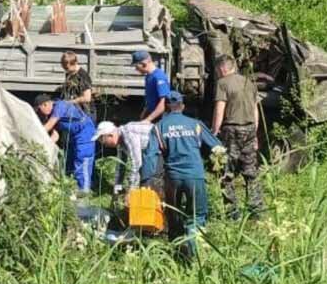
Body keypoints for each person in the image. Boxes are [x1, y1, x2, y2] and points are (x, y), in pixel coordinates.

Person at [141, 91, 222, 256]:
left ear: (166, 107)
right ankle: (194, 255)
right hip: (195, 176)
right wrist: (222, 167)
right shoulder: (195, 124)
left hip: (173, 178)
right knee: (197, 215)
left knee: (174, 215)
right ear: (182, 106)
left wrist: (146, 181)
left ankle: (176, 253)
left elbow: (150, 156)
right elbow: (216, 147)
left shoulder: (158, 127)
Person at [211, 55, 264, 220]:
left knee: (226, 171)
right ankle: (256, 210)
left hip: (231, 130)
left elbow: (220, 109)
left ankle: (232, 212)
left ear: (222, 68)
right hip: (249, 128)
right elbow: (255, 110)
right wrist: (254, 132)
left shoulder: (223, 83)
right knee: (250, 171)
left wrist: (214, 131)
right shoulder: (249, 83)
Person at [35, 93, 96, 193]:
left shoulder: (60, 106)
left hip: (85, 131)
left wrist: (34, 135)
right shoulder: (51, 114)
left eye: (39, 109)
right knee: (70, 159)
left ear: (45, 104)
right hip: (73, 134)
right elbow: (55, 135)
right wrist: (44, 146)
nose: (39, 113)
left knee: (82, 158)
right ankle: (73, 186)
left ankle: (84, 191)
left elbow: (48, 126)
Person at [93, 120, 152, 192]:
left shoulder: (128, 134)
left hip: (161, 146)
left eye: (105, 142)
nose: (105, 145)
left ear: (110, 135)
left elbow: (137, 163)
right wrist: (117, 188)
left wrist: (131, 190)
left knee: (147, 182)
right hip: (151, 152)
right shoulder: (120, 142)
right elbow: (120, 166)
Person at [132, 50, 170, 123]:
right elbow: (150, 99)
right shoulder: (148, 76)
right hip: (152, 116)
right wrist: (144, 113)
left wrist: (147, 120)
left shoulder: (159, 77)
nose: (136, 69)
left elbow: (163, 105)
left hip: (160, 119)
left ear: (144, 64)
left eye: (136, 66)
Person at [59, 51, 93, 116]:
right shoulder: (69, 73)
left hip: (85, 112)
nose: (65, 70)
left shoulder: (82, 76)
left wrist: (70, 102)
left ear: (75, 63)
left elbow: (87, 98)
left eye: (67, 67)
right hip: (75, 110)